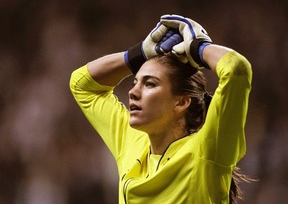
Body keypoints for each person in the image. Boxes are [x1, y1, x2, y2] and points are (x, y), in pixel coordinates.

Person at [70, 14, 252, 203]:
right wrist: (138, 54)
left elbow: (237, 70)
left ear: (181, 102)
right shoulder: (134, 143)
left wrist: (198, 47)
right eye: (135, 82)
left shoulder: (206, 151)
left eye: (149, 84)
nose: (133, 92)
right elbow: (82, 85)